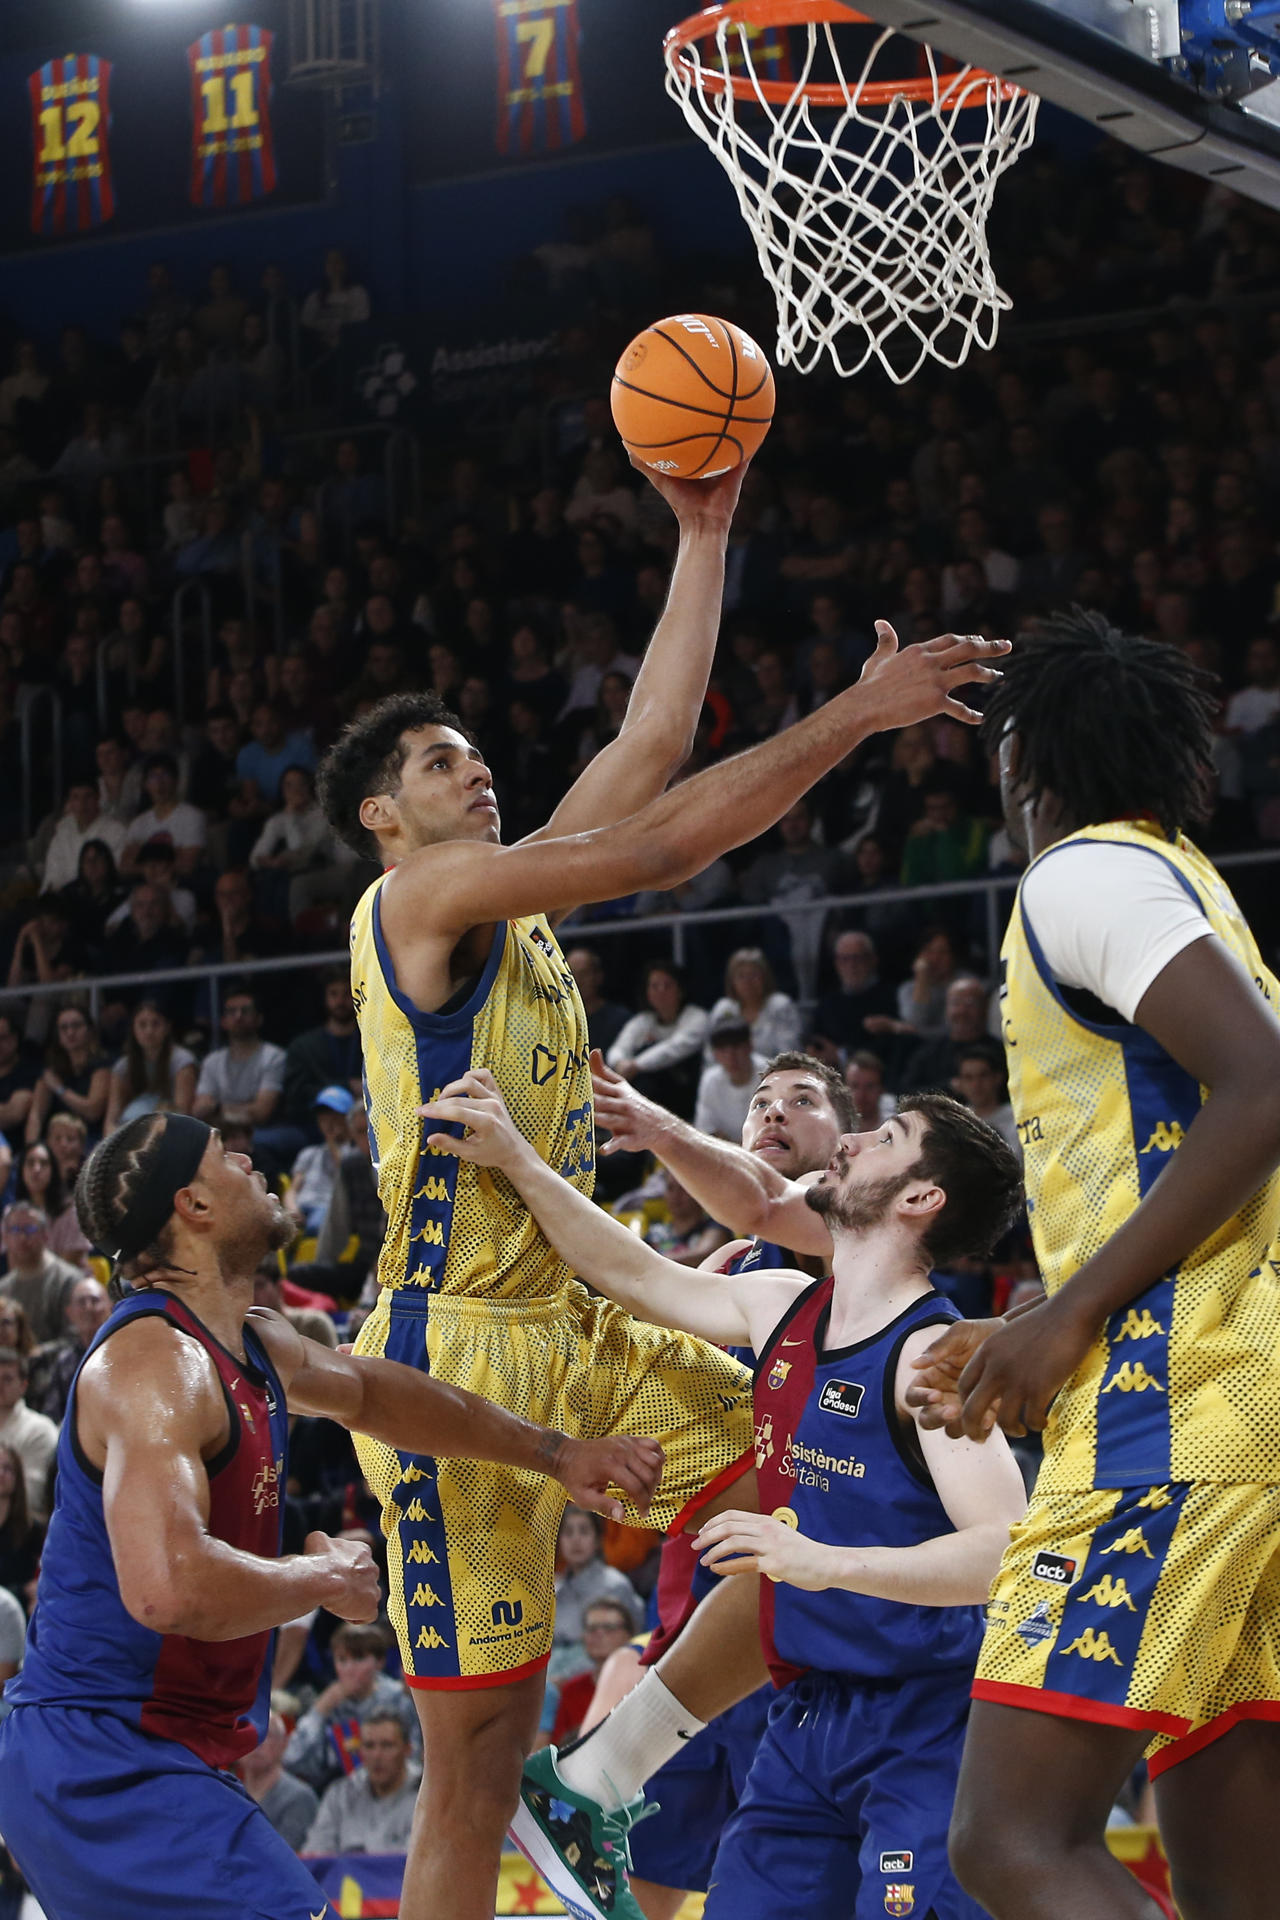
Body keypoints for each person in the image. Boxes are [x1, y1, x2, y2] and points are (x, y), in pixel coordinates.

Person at [315, 450, 1006, 1920]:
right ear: (383, 816)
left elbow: (654, 734)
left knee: (825, 1503)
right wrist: (859, 718)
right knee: (472, 1759)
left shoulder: (523, 901)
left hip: (584, 1325)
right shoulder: (416, 901)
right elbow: (670, 836)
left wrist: (705, 529)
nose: (474, 770)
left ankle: (613, 1772)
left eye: (473, 753)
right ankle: (565, 1788)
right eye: (439, 763)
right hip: (460, 1341)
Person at [0, 1109, 662, 1920]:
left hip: (151, 1755)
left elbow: (378, 1393)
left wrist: (557, 1454)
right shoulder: (152, 1366)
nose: (248, 1158)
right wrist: (321, 1575)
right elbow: (166, 1588)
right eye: (222, 1156)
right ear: (193, 1208)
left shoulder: (254, 1343)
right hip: (104, 1758)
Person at [421, 1070, 1026, 1920]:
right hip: (805, 1716)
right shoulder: (783, 1304)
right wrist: (517, 1158)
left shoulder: (928, 1357)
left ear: (921, 1196)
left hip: (927, 1718)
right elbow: (628, 1271)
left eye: (883, 1139)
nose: (851, 1141)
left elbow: (1005, 1547)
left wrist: (819, 1560)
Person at [906, 610, 1280, 1920]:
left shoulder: (1083, 879)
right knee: (1233, 1851)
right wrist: (1039, 1307)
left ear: (1023, 768)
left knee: (1013, 1840)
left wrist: (1072, 1313)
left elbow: (1264, 1089)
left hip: (1171, 1408)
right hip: (1239, 1399)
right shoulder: (1187, 889)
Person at [586, 1048, 853, 1920]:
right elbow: (628, 1384)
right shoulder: (730, 1264)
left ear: (848, 1140)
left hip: (816, 1636)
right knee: (639, 1891)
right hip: (694, 1620)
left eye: (802, 1102)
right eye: (759, 1105)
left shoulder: (868, 1255)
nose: (773, 1114)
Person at [283, 1620, 417, 1795]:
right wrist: (320, 1709)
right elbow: (292, 1759)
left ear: (379, 1662)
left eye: (359, 1659)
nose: (350, 1669)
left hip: (399, 1790)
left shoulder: (399, 1699)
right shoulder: (328, 1704)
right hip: (343, 1794)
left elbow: (415, 1758)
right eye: (342, 1660)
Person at [303, 1706, 421, 1856]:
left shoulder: (426, 1797)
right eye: (369, 1746)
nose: (377, 1756)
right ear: (360, 1751)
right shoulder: (339, 1795)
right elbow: (315, 1855)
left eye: (387, 1745)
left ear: (407, 1750)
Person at [194, 985, 286, 1136]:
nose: (238, 1016)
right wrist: (242, 1111)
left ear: (259, 1018)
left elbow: (261, 1113)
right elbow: (199, 1109)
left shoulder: (274, 1057)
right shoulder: (212, 1061)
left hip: (261, 1131)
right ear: (223, 1021)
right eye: (231, 1011)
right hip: (222, 1131)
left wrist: (217, 1108)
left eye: (245, 1010)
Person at [553, 1507, 642, 1660]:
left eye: (584, 1531)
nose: (576, 1539)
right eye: (568, 1533)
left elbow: (630, 1645)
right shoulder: (555, 1592)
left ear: (597, 1540)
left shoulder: (615, 1585)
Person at [25, 1272, 109, 1424]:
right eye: (81, 1302)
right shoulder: (64, 1361)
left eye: (95, 1300)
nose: (88, 1308)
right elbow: (52, 1415)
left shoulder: (122, 1352)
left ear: (110, 1307)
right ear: (69, 1313)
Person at [105, 998, 198, 1133]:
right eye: (142, 1025)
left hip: (167, 1131)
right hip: (129, 1133)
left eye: (155, 1024)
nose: (149, 1031)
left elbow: (183, 1114)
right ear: (133, 1028)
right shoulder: (122, 1067)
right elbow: (110, 1120)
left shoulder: (182, 1062)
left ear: (167, 1027)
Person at [25, 1008, 111, 1147]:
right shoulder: (51, 1071)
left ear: (89, 1030)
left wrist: (59, 1089)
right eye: (64, 1028)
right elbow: (35, 1117)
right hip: (57, 1140)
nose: (70, 1032)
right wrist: (31, 1149)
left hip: (90, 1140)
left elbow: (92, 1111)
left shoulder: (101, 1066)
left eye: (76, 1026)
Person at [236, 1709, 318, 1853]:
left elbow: (284, 1854)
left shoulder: (299, 1798)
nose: (257, 1742)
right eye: (249, 1734)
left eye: (266, 1735)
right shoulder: (228, 1793)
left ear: (284, 1744)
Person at [0, 1203, 81, 1344]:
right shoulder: (3, 1289)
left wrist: (34, 1357)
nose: (22, 1237)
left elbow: (75, 1338)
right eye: (14, 1230)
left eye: (30, 1229)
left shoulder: (68, 1280)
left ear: (45, 1235)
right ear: (5, 1237)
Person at [707, 948, 803, 1062]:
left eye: (754, 975)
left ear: (765, 978)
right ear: (732, 981)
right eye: (741, 976)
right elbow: (710, 1055)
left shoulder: (780, 1005)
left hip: (773, 1074)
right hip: (729, 1077)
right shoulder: (723, 1008)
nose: (748, 982)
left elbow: (789, 1055)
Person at [284, 1088, 355, 1236]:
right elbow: (293, 1189)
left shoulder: (355, 1154)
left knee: (316, 1225)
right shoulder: (309, 1153)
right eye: (323, 1118)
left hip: (328, 1208)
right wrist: (292, 1207)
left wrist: (332, 1142)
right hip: (303, 1205)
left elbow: (346, 1173)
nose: (328, 1123)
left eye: (335, 1117)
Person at [0, 1348, 56, 1521]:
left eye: (7, 1379)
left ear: (23, 1385)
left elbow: (31, 1495)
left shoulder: (39, 1429)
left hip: (21, 1531)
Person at [15, 1141, 90, 1268]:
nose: (36, 1169)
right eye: (30, 1163)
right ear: (21, 1170)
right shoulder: (12, 1214)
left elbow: (69, 1266)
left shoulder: (71, 1212)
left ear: (53, 1170)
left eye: (43, 1163)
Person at [693, 1017, 768, 1142]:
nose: (731, 1057)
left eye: (737, 1048)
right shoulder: (710, 1080)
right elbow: (705, 1129)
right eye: (723, 1051)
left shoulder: (770, 1075)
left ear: (749, 1046)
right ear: (715, 1054)